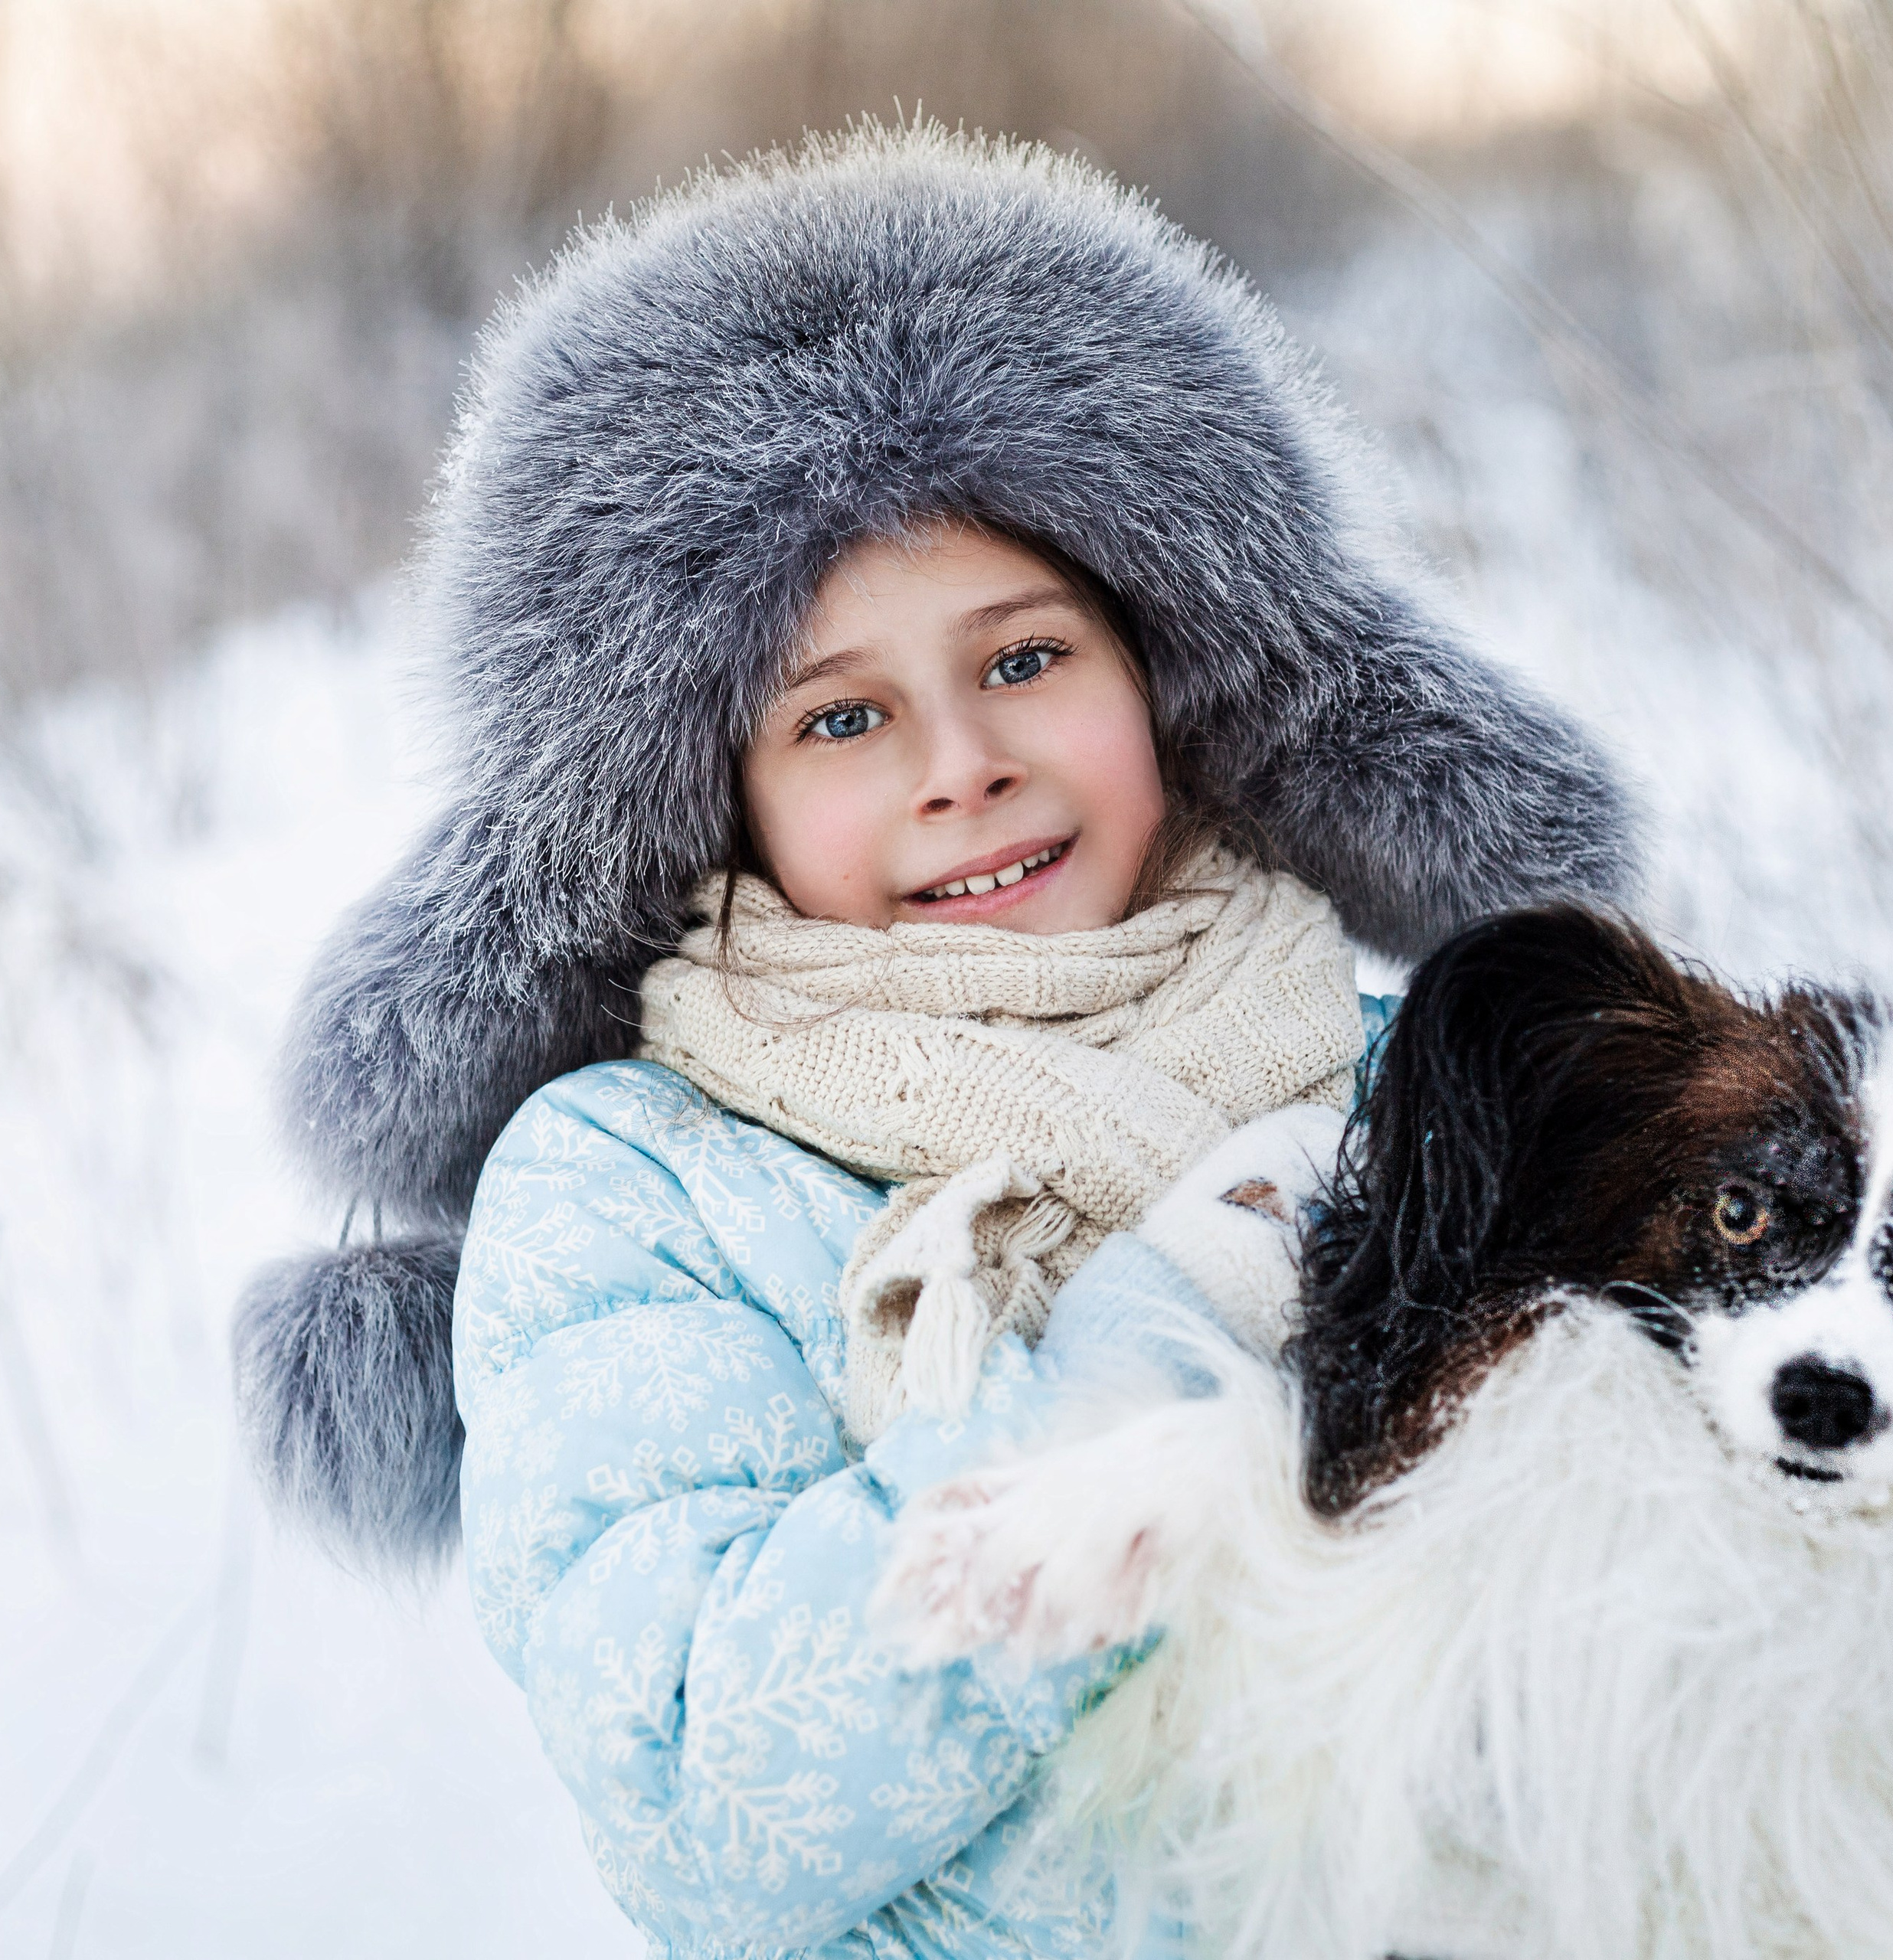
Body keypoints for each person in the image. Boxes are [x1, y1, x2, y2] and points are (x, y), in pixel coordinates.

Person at [235, 126, 1640, 1958]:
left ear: (1170, 666)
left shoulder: (1417, 1077)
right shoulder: (632, 1189)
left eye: (1022, 657)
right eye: (838, 719)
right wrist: (1173, 1314)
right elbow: (712, 1794)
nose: (958, 763)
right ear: (695, 795)